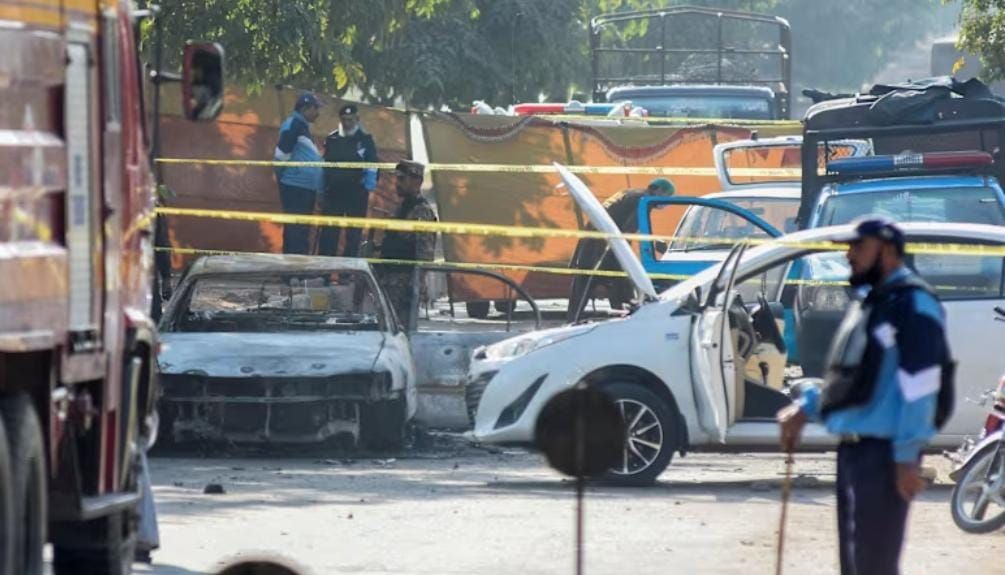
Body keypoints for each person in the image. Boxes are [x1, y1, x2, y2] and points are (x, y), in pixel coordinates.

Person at [778, 217, 953, 575]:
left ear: (886, 250)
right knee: (857, 565)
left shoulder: (914, 305)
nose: (849, 255)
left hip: (885, 457)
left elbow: (921, 386)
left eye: (858, 247)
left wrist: (907, 457)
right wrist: (804, 409)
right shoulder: (873, 301)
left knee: (874, 566)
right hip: (855, 453)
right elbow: (849, 378)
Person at [567, 177, 676, 322]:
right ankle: (626, 323)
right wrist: (628, 258)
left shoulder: (629, 193)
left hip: (589, 244)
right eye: (666, 197)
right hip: (607, 249)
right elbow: (627, 231)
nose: (665, 203)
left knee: (581, 292)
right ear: (659, 191)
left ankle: (571, 322)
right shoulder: (644, 201)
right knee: (623, 291)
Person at [377, 160, 437, 330]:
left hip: (404, 284)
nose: (397, 184)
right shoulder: (403, 208)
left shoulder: (421, 211)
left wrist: (417, 284)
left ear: (417, 182)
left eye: (402, 179)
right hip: (390, 280)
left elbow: (425, 252)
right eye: (397, 179)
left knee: (403, 331)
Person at [320, 103, 379, 257]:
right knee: (329, 234)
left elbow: (373, 166)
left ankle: (347, 274)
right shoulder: (332, 138)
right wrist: (321, 189)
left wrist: (368, 187)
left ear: (357, 119)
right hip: (334, 193)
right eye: (344, 120)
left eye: (350, 120)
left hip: (356, 194)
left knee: (353, 235)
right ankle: (324, 272)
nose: (347, 124)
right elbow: (325, 166)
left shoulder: (365, 140)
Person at [274, 92, 324, 254]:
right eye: (316, 108)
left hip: (303, 187)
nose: (318, 113)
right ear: (305, 108)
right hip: (295, 187)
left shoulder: (301, 126)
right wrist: (285, 181)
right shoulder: (293, 125)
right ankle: (297, 274)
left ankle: (291, 272)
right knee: (298, 231)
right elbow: (280, 157)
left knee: (297, 230)